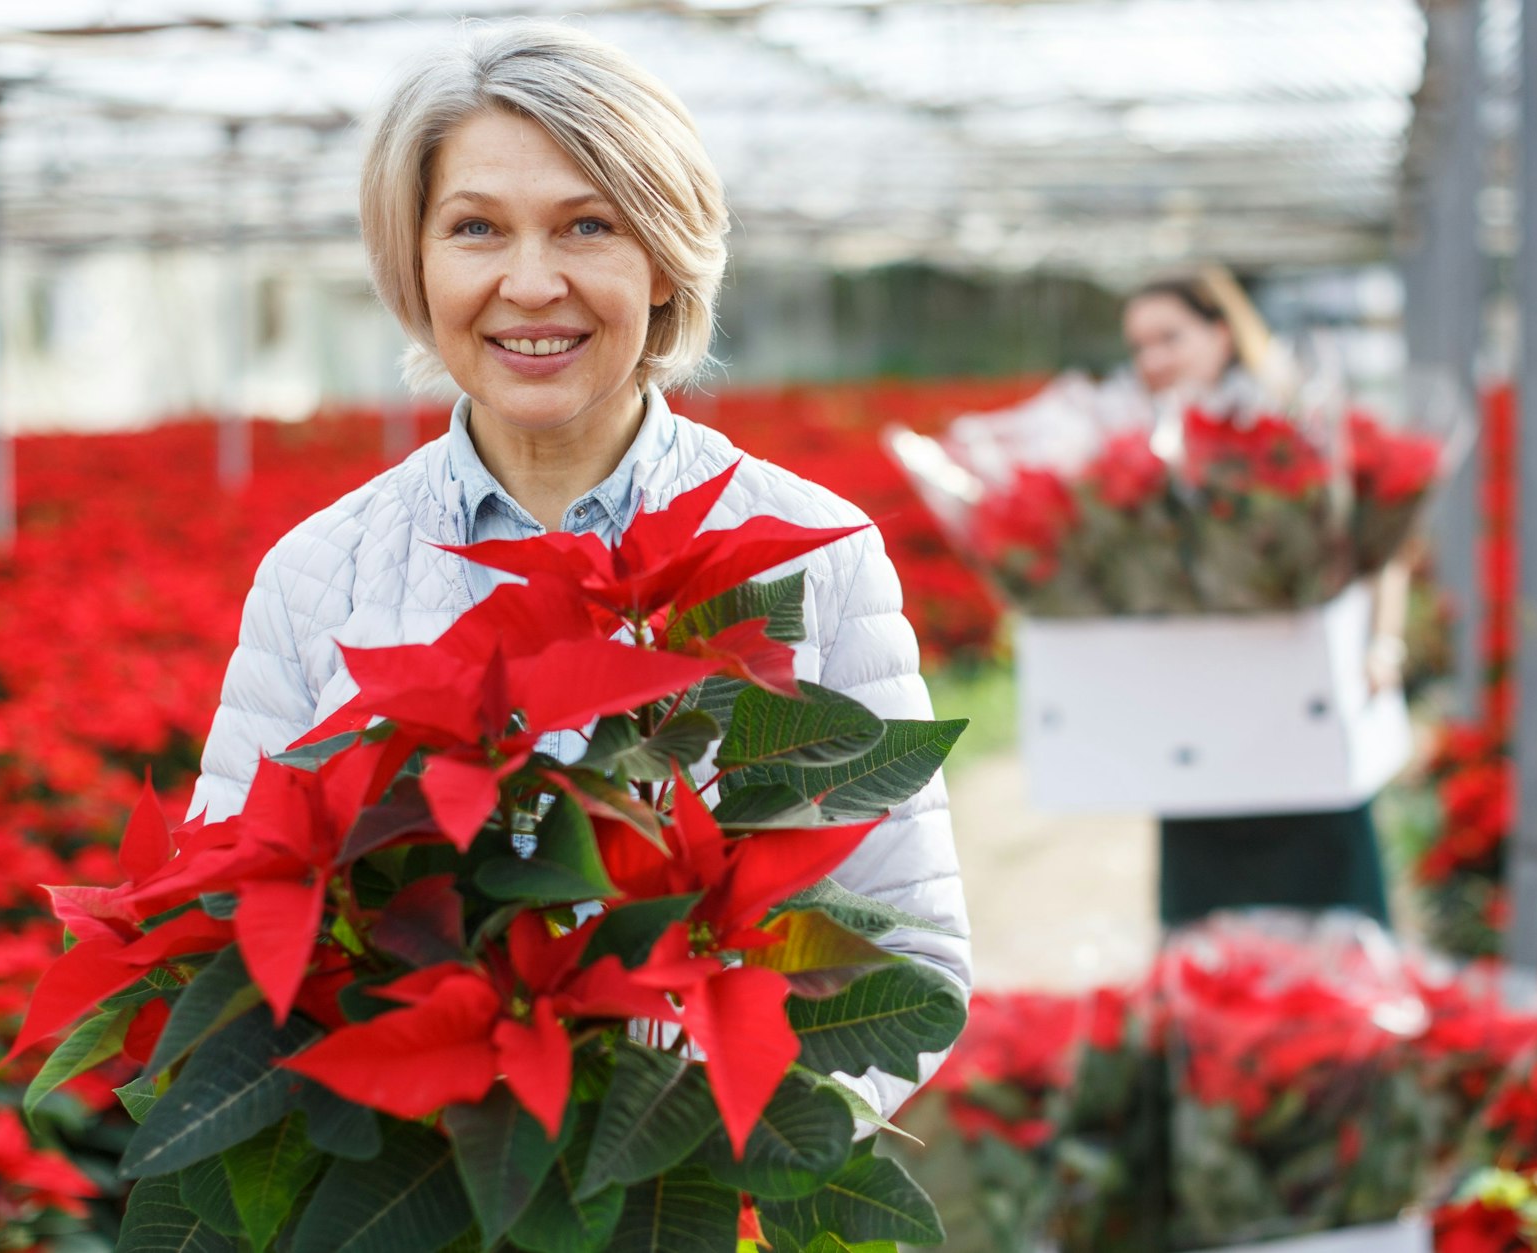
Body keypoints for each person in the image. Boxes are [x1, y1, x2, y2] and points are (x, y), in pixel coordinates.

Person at [184, 19, 970, 1122]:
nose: (530, 282)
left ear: (663, 261)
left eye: (587, 225)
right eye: (475, 228)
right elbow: (226, 924)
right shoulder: (317, 572)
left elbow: (913, 958)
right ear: (416, 261)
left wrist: (698, 1160)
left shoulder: (815, 551)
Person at [1122, 269, 1406, 928]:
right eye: (1139, 346)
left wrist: (1384, 646)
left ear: (1222, 333)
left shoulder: (1299, 422)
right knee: (1210, 927)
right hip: (1197, 717)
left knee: (1328, 912)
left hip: (1302, 701)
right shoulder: (1140, 443)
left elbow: (1383, 549)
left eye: (1169, 337)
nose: (1152, 359)